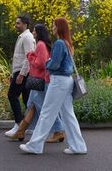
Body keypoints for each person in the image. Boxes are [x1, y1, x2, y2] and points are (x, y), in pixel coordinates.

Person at [19, 17, 87, 155]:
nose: (52, 28)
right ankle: (78, 146)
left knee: (46, 113)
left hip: (58, 81)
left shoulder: (59, 44)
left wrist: (48, 63)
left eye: (54, 26)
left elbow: (53, 64)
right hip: (66, 81)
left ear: (59, 28)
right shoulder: (67, 43)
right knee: (68, 114)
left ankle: (35, 145)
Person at [9, 23, 64, 142]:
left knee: (41, 107)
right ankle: (21, 131)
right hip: (39, 81)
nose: (33, 33)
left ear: (38, 33)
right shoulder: (43, 44)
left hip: (40, 81)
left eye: (34, 31)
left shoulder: (40, 44)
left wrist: (29, 56)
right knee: (33, 106)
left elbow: (41, 63)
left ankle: (58, 130)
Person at [5, 16, 35, 137]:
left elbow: (29, 57)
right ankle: (28, 127)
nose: (16, 25)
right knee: (27, 100)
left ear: (25, 24)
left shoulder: (27, 37)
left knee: (12, 95)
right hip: (21, 72)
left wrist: (21, 74)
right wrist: (14, 74)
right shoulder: (23, 36)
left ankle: (18, 124)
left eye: (18, 23)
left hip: (23, 73)